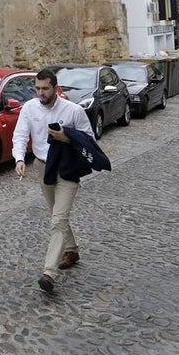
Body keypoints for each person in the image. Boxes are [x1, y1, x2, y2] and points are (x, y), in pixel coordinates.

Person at [12, 66, 107, 293]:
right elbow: (20, 134)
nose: (41, 93)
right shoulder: (29, 108)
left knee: (58, 219)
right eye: (37, 88)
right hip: (43, 167)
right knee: (57, 214)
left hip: (67, 170)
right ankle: (72, 250)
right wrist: (18, 159)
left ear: (55, 88)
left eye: (45, 89)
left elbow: (90, 140)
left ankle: (49, 273)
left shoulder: (73, 111)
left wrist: (66, 137)